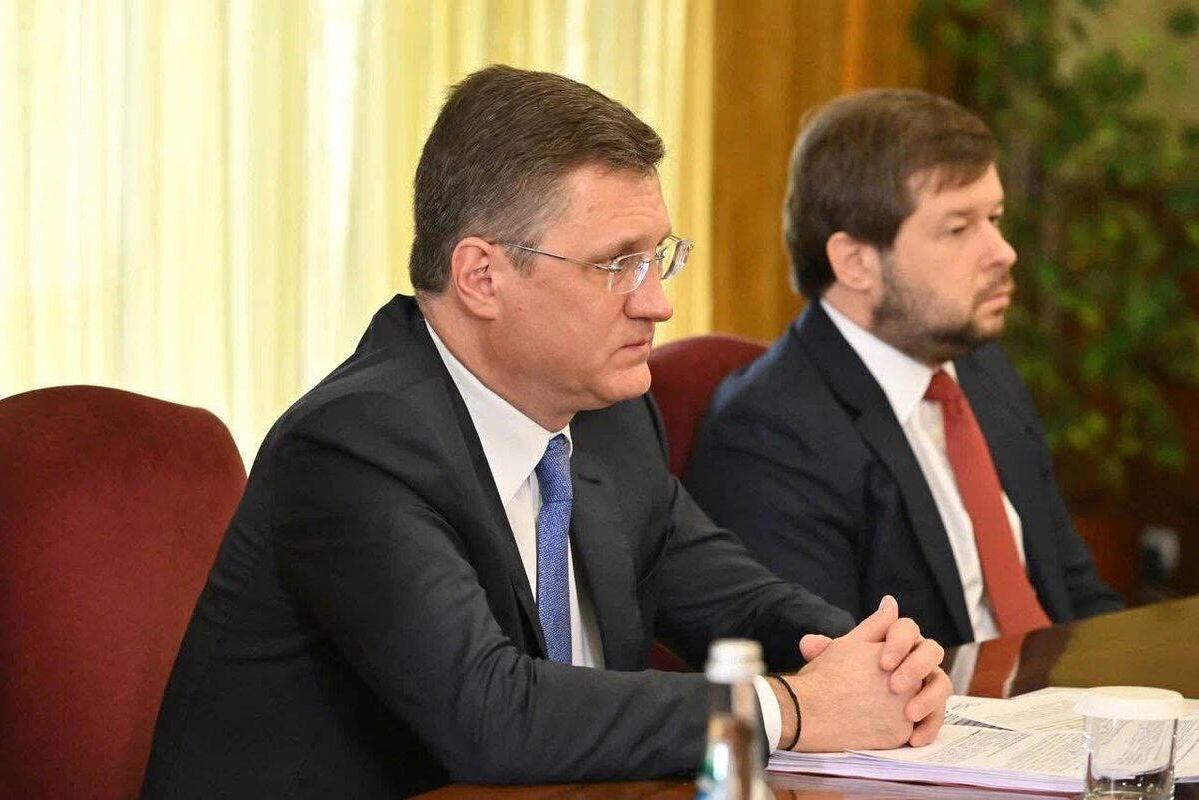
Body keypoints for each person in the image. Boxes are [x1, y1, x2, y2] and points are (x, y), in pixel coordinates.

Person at [140, 68, 950, 800]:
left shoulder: (608, 416)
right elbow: (491, 713)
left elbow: (734, 597)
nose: (657, 303)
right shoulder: (355, 447)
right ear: (482, 277)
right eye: (617, 265)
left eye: (659, 258)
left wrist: (871, 658)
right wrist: (787, 709)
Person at [685, 88, 1124, 652]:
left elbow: (1074, 591)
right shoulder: (771, 432)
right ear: (856, 263)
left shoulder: (981, 369)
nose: (1003, 252)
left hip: (1051, 692)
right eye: (958, 229)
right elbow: (826, 672)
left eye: (994, 218)